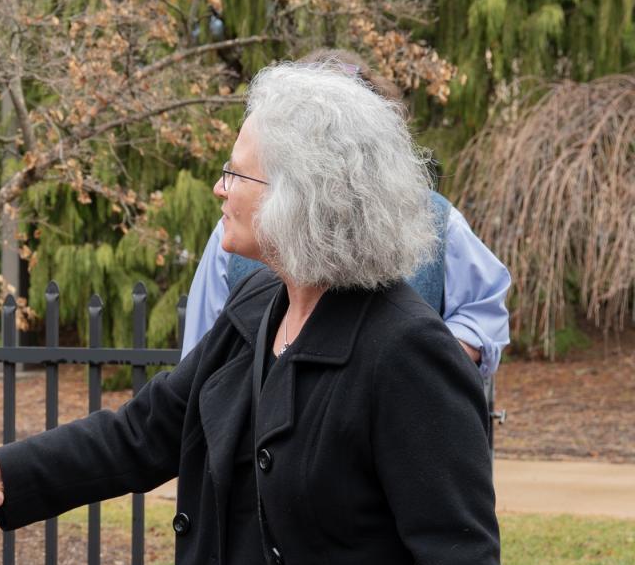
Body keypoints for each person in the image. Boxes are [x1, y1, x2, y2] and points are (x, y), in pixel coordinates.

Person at [0, 63, 510, 565]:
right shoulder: (257, 308)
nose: (219, 187)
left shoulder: (407, 353)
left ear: (300, 198)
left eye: (237, 174)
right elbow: (141, 433)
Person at [181, 49, 511, 378]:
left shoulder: (434, 218)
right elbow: (199, 355)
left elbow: (483, 311)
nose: (221, 188)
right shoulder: (236, 228)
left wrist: (421, 363)